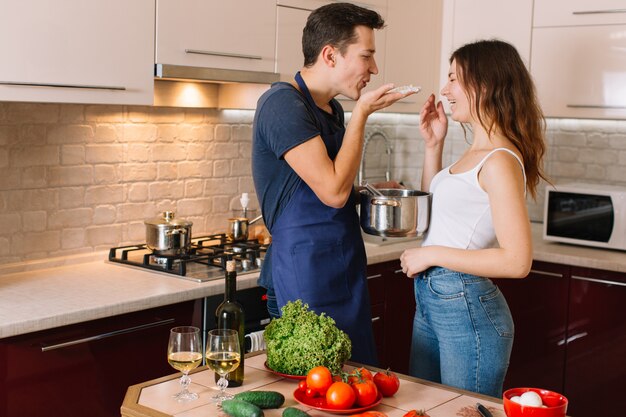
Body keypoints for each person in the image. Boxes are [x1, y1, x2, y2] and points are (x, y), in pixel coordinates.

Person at [252, 2, 415, 366]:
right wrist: (362, 114)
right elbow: (332, 191)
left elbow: (332, 188)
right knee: (315, 392)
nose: (374, 68)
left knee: (355, 384)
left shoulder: (332, 110)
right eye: (366, 56)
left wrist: (370, 191)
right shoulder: (282, 105)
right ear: (329, 55)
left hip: (342, 268)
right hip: (302, 277)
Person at [399, 39, 549, 397]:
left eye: (453, 78)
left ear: (484, 84)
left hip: (465, 304)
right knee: (425, 406)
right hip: (436, 298)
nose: (445, 89)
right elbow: (435, 216)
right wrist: (433, 145)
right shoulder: (475, 151)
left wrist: (430, 255)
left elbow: (517, 261)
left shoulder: (498, 161)